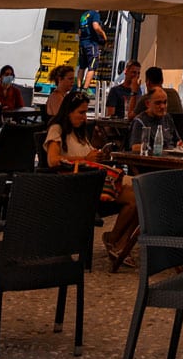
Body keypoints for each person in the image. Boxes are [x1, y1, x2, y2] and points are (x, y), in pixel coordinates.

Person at [44, 90, 137, 267]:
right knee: (136, 198)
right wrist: (85, 159)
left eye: (85, 112)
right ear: (68, 112)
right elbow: (53, 160)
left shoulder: (79, 132)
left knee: (141, 195)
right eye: (80, 112)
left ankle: (120, 242)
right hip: (75, 185)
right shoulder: (57, 130)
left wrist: (97, 155)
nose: (84, 117)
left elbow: (87, 155)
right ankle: (115, 240)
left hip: (91, 179)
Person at [129, 87, 178, 152]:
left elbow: (177, 141)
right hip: (153, 159)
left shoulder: (167, 118)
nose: (162, 106)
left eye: (165, 102)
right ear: (148, 104)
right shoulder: (140, 122)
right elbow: (135, 147)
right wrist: (155, 149)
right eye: (158, 103)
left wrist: (182, 144)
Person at [77, 10, 108, 90]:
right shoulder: (95, 14)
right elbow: (96, 26)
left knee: (82, 66)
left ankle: (78, 87)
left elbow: (79, 31)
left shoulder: (84, 14)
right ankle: (85, 89)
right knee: (92, 67)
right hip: (91, 44)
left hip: (82, 44)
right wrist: (103, 35)